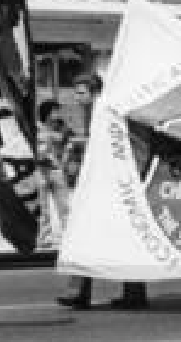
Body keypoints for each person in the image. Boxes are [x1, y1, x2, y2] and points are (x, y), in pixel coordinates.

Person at [54, 73, 149, 311]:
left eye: (81, 92)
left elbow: (112, 147)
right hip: (102, 184)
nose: (77, 97)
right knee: (95, 237)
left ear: (95, 92)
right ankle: (120, 293)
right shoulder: (95, 112)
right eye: (76, 92)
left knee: (94, 235)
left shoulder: (105, 113)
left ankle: (89, 293)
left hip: (112, 185)